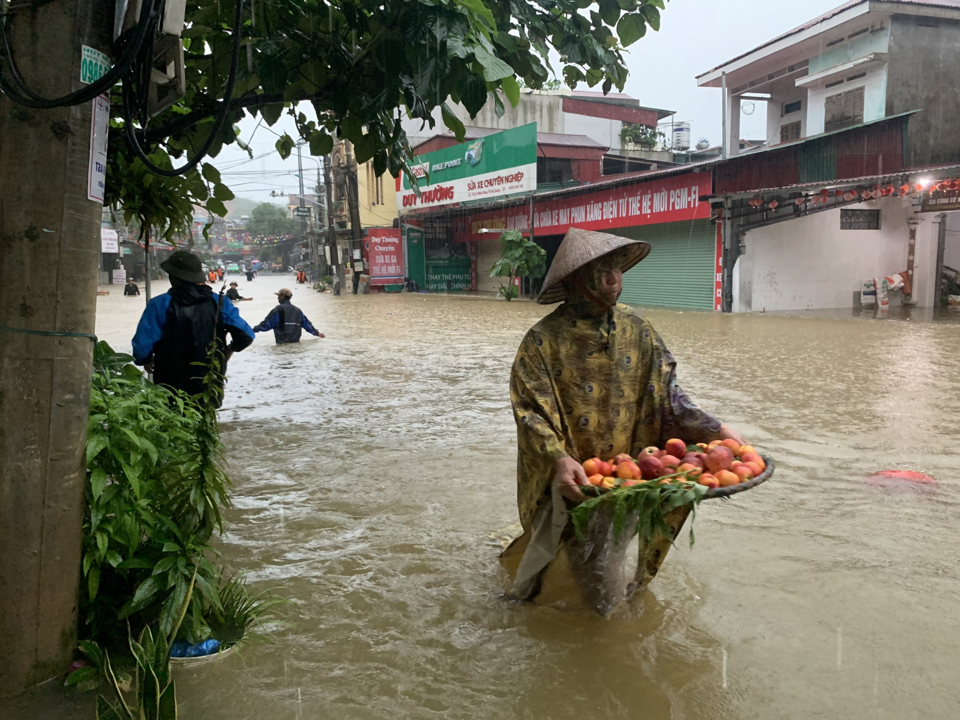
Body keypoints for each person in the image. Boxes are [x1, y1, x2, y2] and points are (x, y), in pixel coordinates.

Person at [499, 227, 746, 612]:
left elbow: (669, 397)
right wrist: (559, 459)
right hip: (577, 475)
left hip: (629, 472)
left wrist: (720, 431)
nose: (614, 280)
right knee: (577, 556)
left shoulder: (637, 329)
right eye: (601, 271)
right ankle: (586, 630)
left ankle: (588, 617)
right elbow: (531, 412)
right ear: (576, 280)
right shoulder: (542, 342)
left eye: (616, 268)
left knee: (602, 553)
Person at [132, 250, 255, 400]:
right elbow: (246, 335)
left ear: (173, 277)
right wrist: (228, 351)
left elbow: (142, 345)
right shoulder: (219, 302)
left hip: (169, 380)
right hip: (209, 379)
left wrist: (145, 360)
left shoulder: (159, 304)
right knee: (206, 416)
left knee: (173, 417)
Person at [253, 288, 324, 344]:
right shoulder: (298, 311)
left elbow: (266, 325)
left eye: (278, 296)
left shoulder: (278, 310)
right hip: (296, 346)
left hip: (281, 346)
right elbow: (307, 325)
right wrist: (317, 333)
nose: (277, 298)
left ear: (283, 296)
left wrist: (252, 330)